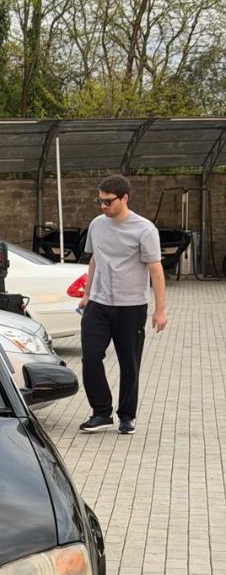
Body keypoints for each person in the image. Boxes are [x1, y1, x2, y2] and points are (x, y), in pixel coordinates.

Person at [78, 174, 167, 436]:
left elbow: (156, 269)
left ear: (124, 198)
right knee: (90, 357)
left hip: (131, 307)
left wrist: (160, 309)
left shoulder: (144, 229)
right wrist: (86, 294)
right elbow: (95, 259)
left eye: (108, 201)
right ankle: (101, 412)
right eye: (99, 201)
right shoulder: (97, 225)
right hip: (98, 304)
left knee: (130, 363)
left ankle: (127, 416)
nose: (102, 206)